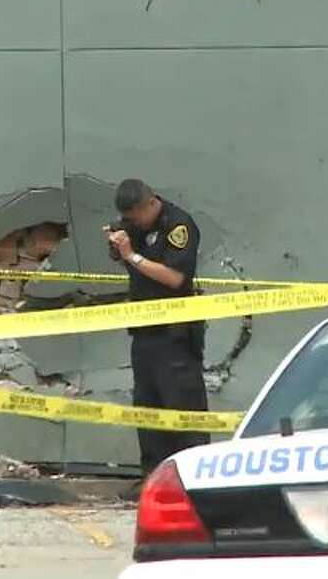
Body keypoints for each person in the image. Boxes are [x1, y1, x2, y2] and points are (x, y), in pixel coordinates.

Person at [105, 178, 210, 476]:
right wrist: (117, 245)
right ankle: (152, 478)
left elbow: (176, 278)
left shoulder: (177, 226)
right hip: (144, 334)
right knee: (148, 411)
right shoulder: (134, 226)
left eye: (137, 217)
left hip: (174, 337)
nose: (134, 223)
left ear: (151, 203)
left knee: (182, 411)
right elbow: (125, 258)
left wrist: (132, 256)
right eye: (129, 220)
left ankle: (193, 479)